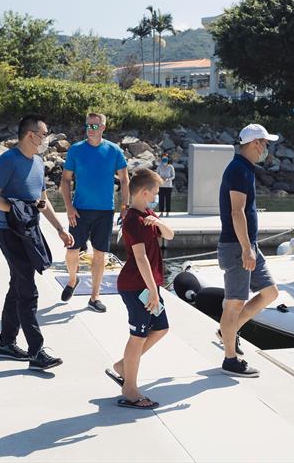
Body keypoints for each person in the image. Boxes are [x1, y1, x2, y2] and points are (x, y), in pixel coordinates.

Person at [0, 114, 73, 370]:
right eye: (43, 135)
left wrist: (59, 229)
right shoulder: (8, 160)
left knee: (18, 285)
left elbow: (42, 200)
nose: (46, 139)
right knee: (27, 289)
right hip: (10, 233)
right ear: (30, 135)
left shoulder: (38, 161)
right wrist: (14, 209)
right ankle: (36, 351)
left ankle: (5, 344)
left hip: (31, 232)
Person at [105, 168, 174, 409]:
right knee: (138, 336)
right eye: (154, 193)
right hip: (136, 287)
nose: (156, 196)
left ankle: (124, 366)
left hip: (148, 286)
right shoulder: (133, 219)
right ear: (144, 193)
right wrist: (153, 291)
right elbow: (141, 257)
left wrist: (160, 222)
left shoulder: (148, 214)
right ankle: (130, 391)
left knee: (161, 328)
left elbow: (171, 235)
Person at [217, 123, 280, 377]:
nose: (266, 148)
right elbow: (236, 211)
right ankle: (230, 360)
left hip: (247, 244)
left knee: (269, 293)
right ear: (255, 143)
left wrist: (250, 246)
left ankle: (227, 332)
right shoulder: (239, 170)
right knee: (234, 303)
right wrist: (246, 249)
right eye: (265, 144)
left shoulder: (245, 168)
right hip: (237, 246)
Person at [59, 113, 130, 313]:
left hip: (105, 211)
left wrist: (125, 206)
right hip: (79, 210)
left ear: (103, 127)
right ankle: (73, 279)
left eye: (95, 125)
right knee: (72, 250)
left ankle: (94, 297)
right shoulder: (76, 150)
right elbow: (65, 180)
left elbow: (124, 179)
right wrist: (69, 207)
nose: (91, 129)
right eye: (88, 126)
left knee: (100, 254)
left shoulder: (114, 150)